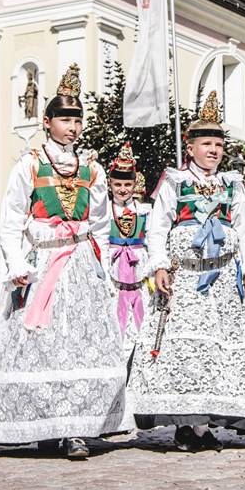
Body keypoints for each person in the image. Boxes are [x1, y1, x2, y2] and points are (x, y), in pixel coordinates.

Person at [0, 65, 127, 459]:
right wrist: (17, 263)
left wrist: (100, 263)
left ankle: (76, 427)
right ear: (47, 121)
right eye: (64, 119)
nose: (72, 127)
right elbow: (10, 221)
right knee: (39, 345)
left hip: (80, 267)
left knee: (78, 345)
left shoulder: (92, 168)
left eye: (77, 120)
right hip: (41, 265)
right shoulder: (29, 164)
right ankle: (41, 421)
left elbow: (102, 223)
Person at [129, 90, 245, 453]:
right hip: (187, 280)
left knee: (219, 351)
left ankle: (205, 424)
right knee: (188, 348)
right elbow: (157, 228)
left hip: (223, 281)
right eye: (207, 143)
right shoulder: (175, 182)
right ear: (190, 148)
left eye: (219, 144)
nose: (214, 150)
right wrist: (158, 265)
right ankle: (186, 424)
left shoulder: (231, 184)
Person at [105, 143, 151, 359]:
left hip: (139, 272)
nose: (122, 189)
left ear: (135, 184)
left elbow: (150, 241)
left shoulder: (144, 210)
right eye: (117, 184)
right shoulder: (104, 210)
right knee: (114, 320)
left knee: (141, 322)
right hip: (112, 272)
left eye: (127, 184)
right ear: (110, 184)